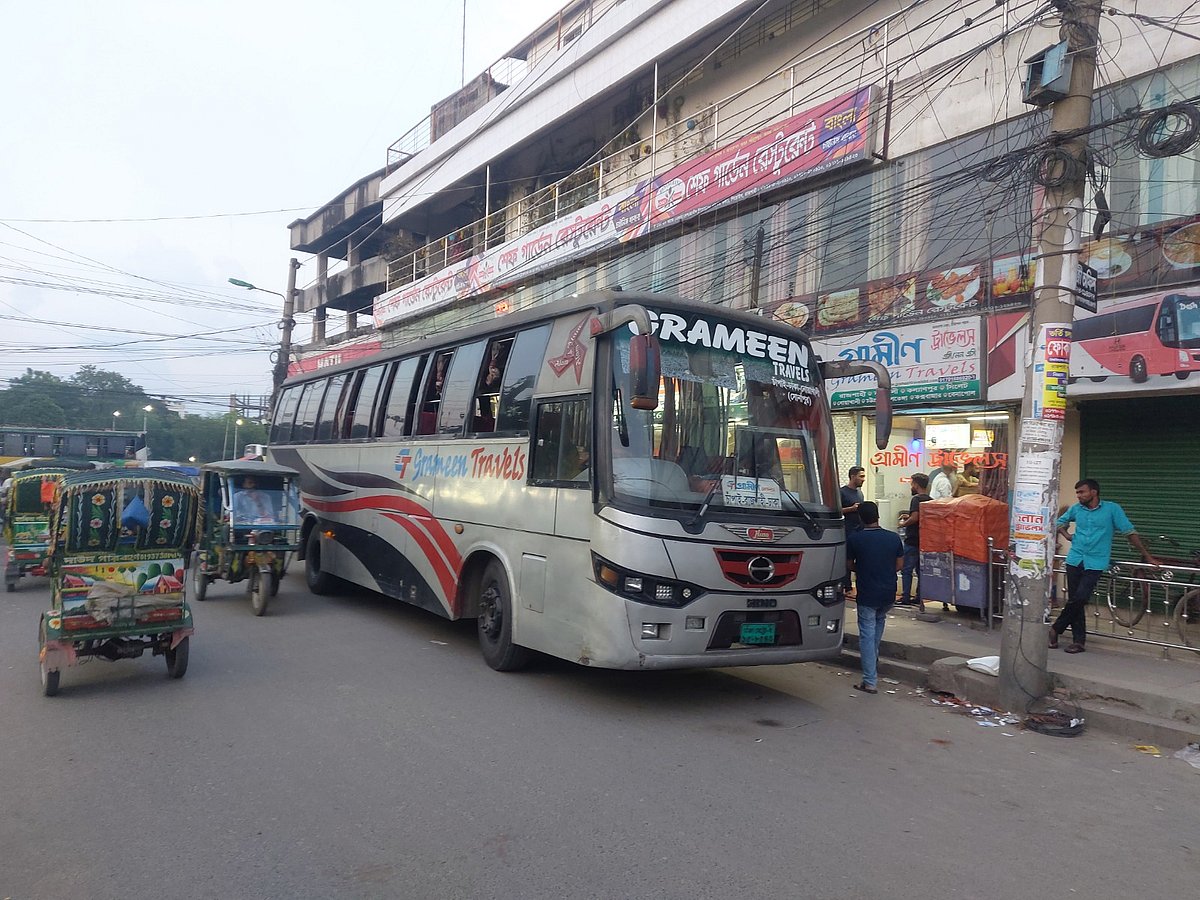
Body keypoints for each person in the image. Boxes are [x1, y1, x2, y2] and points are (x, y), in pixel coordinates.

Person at [1050, 478, 1158, 654]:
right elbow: (1059, 523)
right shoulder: (1077, 509)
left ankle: (1056, 629)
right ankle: (1078, 641)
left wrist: (1148, 557)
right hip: (1075, 559)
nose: (1079, 496)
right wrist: (1067, 534)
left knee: (1080, 598)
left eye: (1082, 492)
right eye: (1077, 493)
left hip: (1096, 561)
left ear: (1094, 492)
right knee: (1075, 599)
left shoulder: (1111, 509)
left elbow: (1129, 532)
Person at [846, 501, 904, 694]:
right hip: (888, 594)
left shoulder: (855, 540)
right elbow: (899, 565)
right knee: (876, 631)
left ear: (861, 518)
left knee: (867, 637)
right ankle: (872, 669)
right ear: (877, 515)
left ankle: (870, 680)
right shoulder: (893, 538)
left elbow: (849, 565)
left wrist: (863, 568)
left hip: (867, 593)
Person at [897, 473, 931, 610]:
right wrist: (909, 516)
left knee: (906, 570)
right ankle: (919, 596)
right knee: (920, 570)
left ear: (916, 484)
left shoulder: (916, 499)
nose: (911, 486)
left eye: (912, 483)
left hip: (912, 541)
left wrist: (903, 524)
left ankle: (905, 597)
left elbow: (916, 517)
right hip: (923, 541)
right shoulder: (929, 499)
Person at [840, 466, 866, 596]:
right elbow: (836, 510)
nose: (863, 479)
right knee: (847, 559)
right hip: (848, 530)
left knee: (860, 557)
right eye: (861, 476)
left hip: (860, 530)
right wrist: (851, 509)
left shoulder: (860, 493)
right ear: (852, 476)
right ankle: (847, 586)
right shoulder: (842, 492)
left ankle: (861, 584)